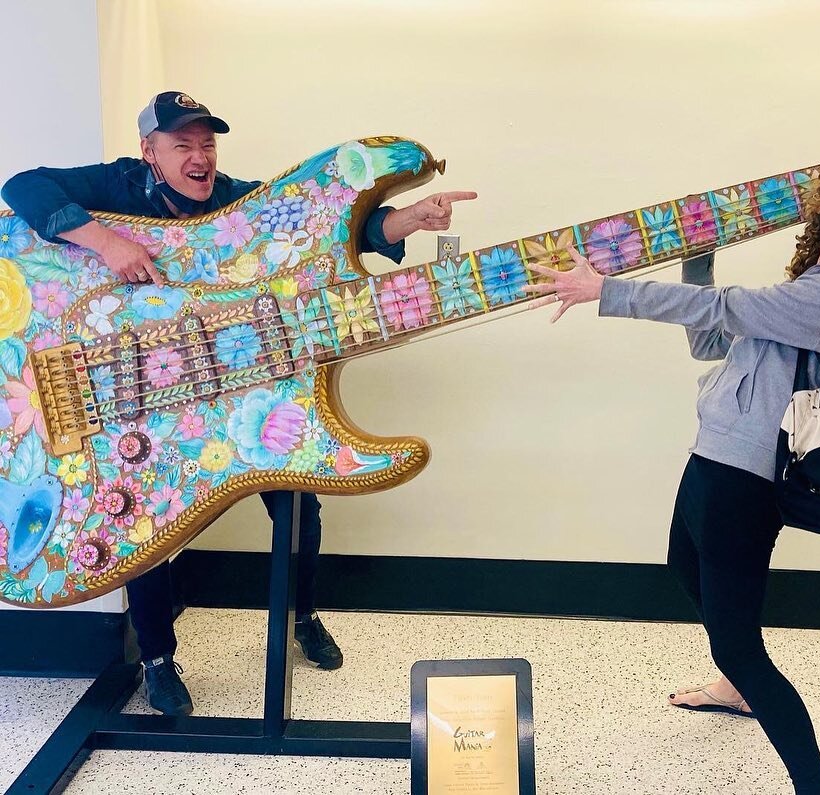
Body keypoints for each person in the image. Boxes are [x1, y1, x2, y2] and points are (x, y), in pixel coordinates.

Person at [1, 90, 477, 717]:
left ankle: (303, 617)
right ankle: (157, 660)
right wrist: (105, 243)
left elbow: (336, 228)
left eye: (207, 143)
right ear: (151, 152)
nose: (199, 157)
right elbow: (23, 187)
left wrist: (405, 220)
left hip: (249, 395)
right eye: (182, 145)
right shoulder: (116, 186)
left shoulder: (238, 200)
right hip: (127, 400)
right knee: (144, 526)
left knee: (300, 512)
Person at [523, 143, 820, 795]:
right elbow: (709, 340)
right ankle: (734, 679)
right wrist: (699, 253)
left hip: (744, 483)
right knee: (683, 569)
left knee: (738, 644)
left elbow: (724, 312)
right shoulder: (804, 287)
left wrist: (603, 290)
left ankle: (811, 781)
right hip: (712, 457)